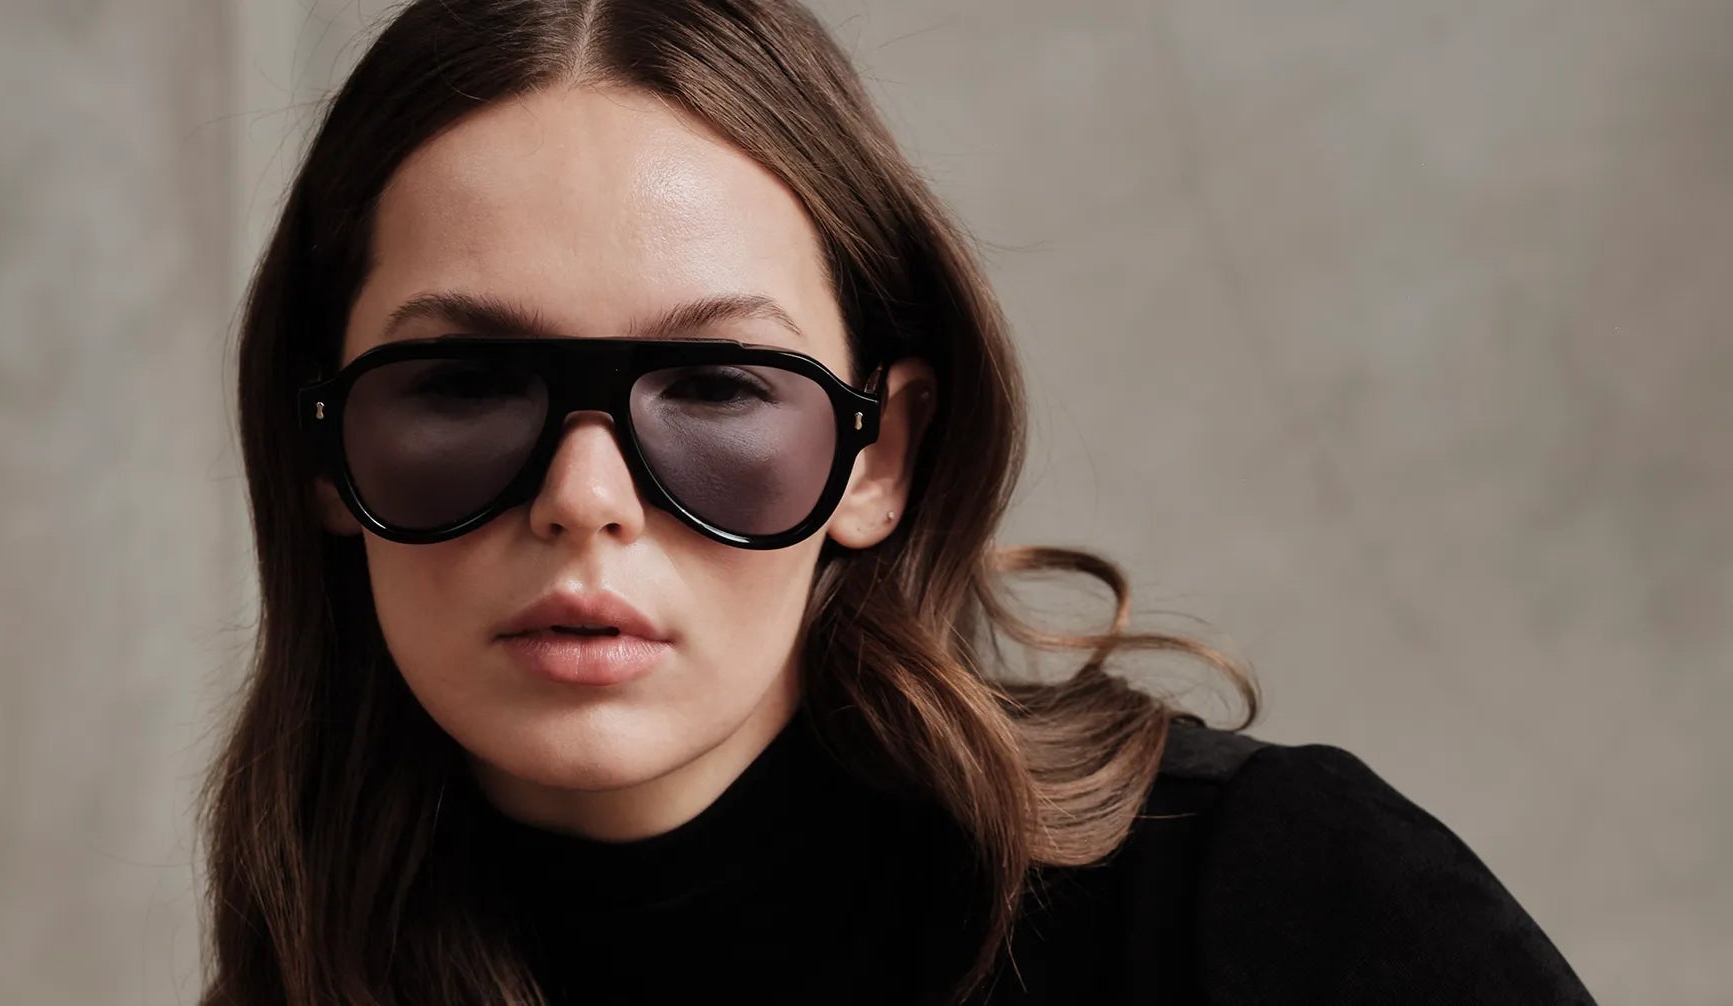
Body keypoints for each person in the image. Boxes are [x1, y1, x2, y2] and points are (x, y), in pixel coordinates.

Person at [198, 1, 1597, 1003]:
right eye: (460, 383)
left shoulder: (1261, 900)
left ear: (881, 457)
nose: (585, 499)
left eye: (719, 385)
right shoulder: (305, 965)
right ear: (322, 452)